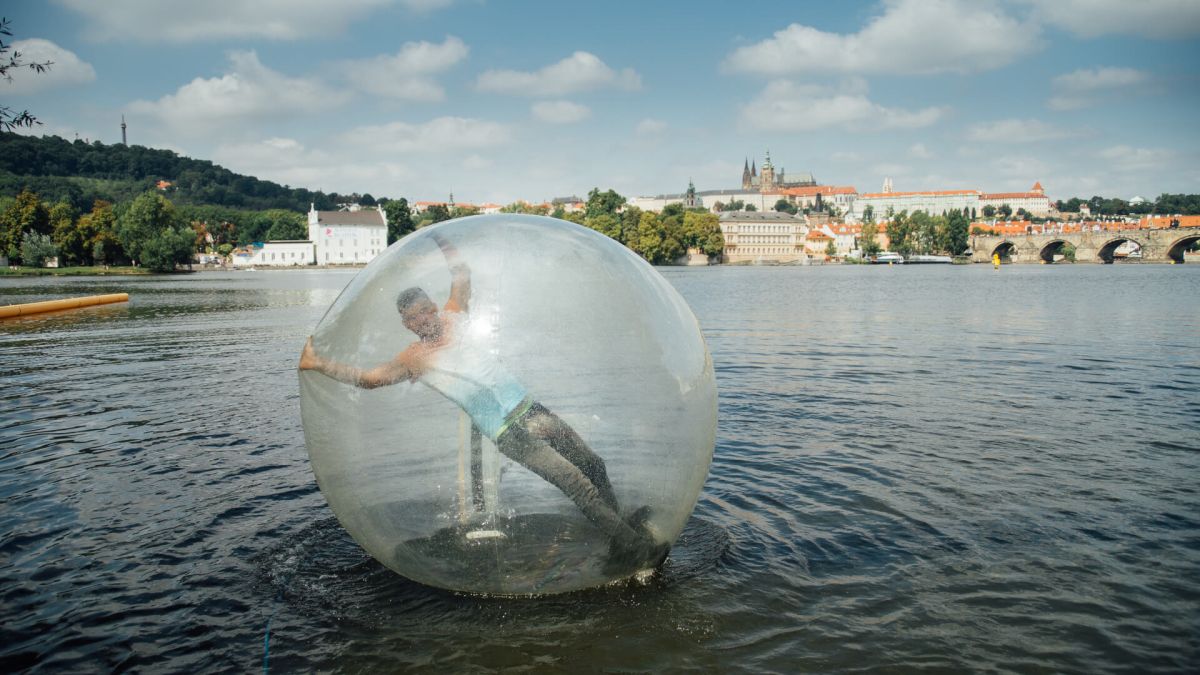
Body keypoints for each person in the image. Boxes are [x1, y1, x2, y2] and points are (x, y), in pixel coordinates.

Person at [299, 232, 666, 571]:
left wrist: (441, 240)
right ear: (407, 324)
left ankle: (618, 530)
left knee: (593, 464)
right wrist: (318, 364)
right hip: (508, 432)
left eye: (426, 309)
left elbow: (461, 274)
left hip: (530, 409)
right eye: (415, 316)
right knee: (576, 483)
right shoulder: (414, 358)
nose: (425, 318)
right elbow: (369, 379)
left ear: (433, 306)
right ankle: (632, 548)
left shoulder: (455, 317)